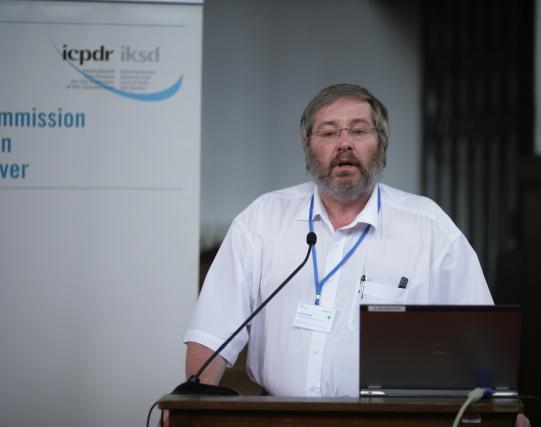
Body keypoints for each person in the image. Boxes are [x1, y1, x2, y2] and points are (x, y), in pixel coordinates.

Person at [183, 83, 496, 397]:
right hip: (278, 417)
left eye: (359, 131)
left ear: (381, 145)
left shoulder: (430, 229)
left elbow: (479, 340)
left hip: (391, 420)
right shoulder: (262, 220)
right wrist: (193, 405)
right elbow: (212, 332)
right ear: (308, 147)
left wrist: (497, 407)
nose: (344, 143)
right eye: (329, 132)